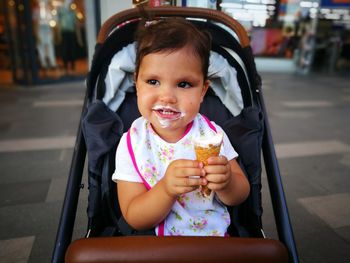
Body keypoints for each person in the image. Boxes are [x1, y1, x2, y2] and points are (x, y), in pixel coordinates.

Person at [112, 18, 250, 236]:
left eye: (184, 84)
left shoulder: (211, 135)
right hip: (158, 246)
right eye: (153, 81)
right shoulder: (132, 143)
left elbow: (241, 194)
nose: (167, 97)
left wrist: (227, 182)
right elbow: (133, 215)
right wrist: (166, 189)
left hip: (214, 241)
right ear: (136, 83)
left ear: (203, 91)